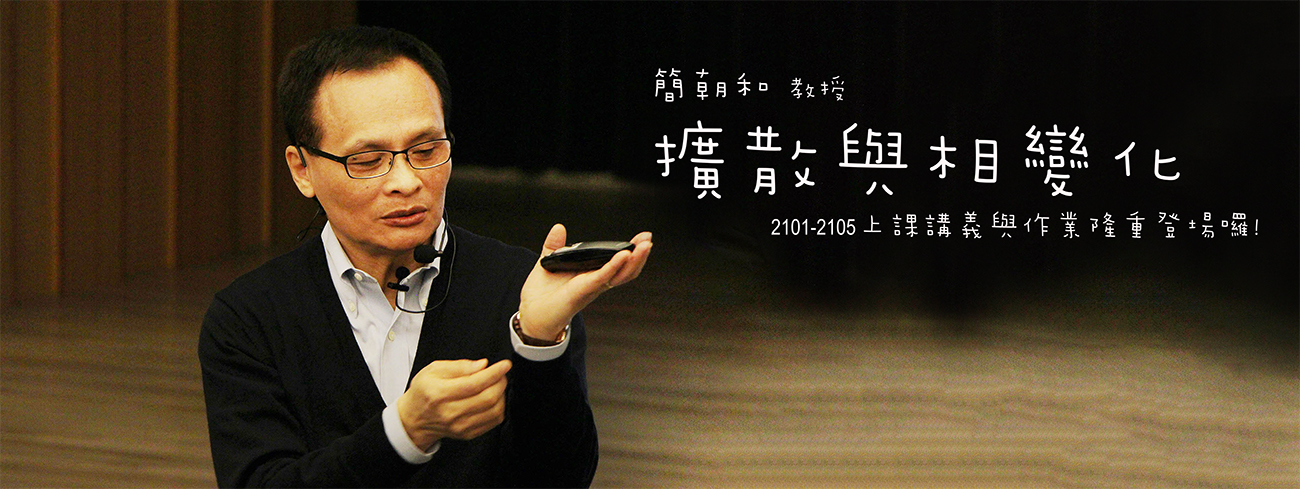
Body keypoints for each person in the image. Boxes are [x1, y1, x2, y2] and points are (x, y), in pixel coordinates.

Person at [198, 26, 652, 487]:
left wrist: (539, 346)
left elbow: (560, 479)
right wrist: (404, 433)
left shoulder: (521, 287)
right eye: (368, 160)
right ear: (302, 170)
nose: (406, 181)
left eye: (427, 149)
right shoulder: (248, 317)